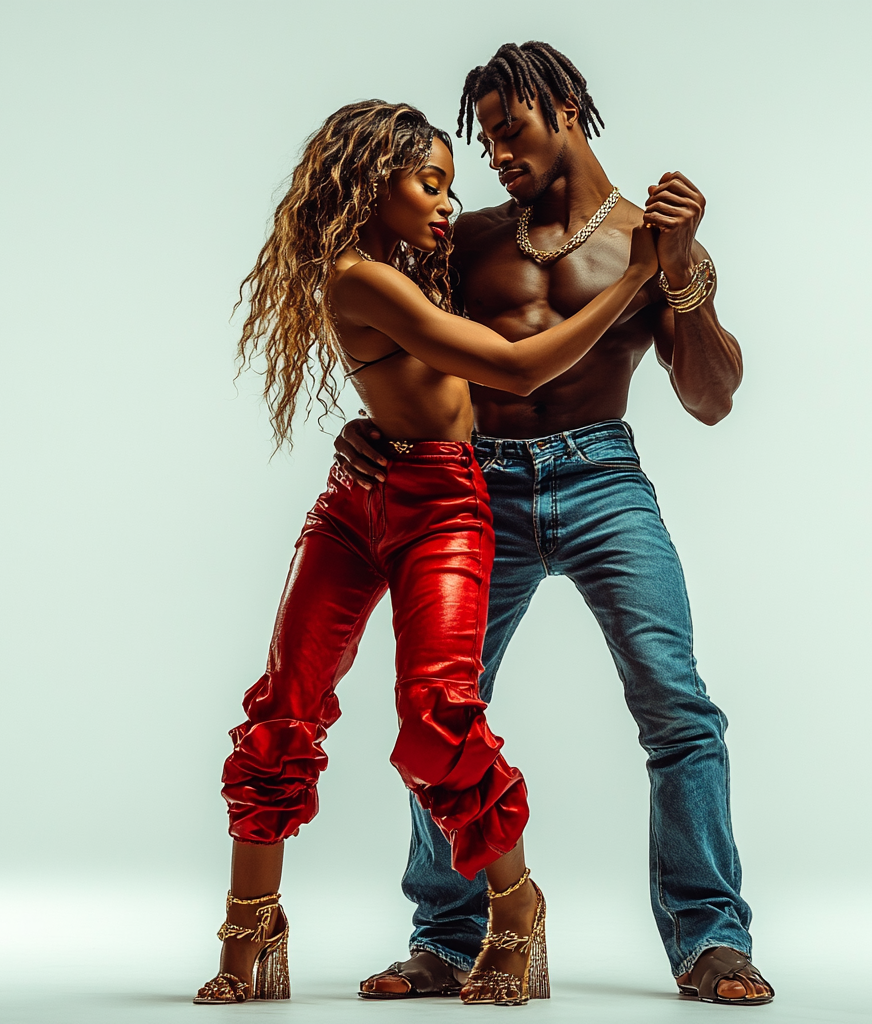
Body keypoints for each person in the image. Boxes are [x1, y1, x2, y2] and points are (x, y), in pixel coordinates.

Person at [192, 99, 657, 1007]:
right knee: (284, 705)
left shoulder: (412, 269)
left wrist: (365, 426)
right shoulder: (359, 275)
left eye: (451, 183)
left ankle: (515, 915)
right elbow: (516, 370)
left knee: (436, 714)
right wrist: (633, 280)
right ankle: (251, 921)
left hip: (444, 500)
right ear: (372, 184)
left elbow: (420, 387)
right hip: (356, 509)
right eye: (429, 182)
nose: (449, 201)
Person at [340, 44, 775, 1006]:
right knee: (443, 709)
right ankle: (446, 940)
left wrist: (687, 267)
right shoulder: (468, 241)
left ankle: (710, 938)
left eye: (511, 129)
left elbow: (712, 398)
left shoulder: (650, 241)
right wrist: (365, 424)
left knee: (678, 706)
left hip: (603, 475)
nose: (494, 152)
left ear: (569, 105)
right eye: (485, 135)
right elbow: (399, 346)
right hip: (473, 482)